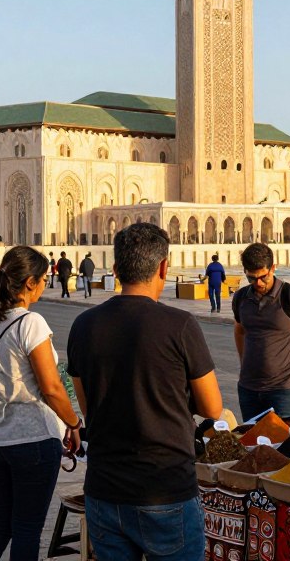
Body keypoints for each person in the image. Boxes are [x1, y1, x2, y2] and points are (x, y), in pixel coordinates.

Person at [66, 222, 223, 561]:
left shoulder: (83, 325)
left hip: (104, 489)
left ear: (115, 268)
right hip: (165, 488)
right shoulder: (180, 325)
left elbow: (88, 405)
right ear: (163, 267)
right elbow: (212, 407)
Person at [0, 246, 82, 561]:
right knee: (27, 529)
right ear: (30, 282)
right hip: (32, 439)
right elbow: (52, 387)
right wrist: (74, 423)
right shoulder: (30, 322)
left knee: (0, 524)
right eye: (43, 279)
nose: (45, 285)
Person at [231, 242, 290, 420]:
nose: (258, 283)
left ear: (273, 268)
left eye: (263, 277)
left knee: (283, 438)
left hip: (283, 391)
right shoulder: (241, 298)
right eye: (251, 278)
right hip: (248, 390)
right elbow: (240, 331)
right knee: (252, 437)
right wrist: (244, 363)